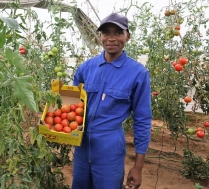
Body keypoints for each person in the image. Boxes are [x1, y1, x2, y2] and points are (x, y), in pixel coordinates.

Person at [71, 13, 152, 189]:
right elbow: (72, 106)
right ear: (99, 36)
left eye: (118, 33)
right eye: (106, 33)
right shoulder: (86, 68)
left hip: (110, 146)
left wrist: (138, 167)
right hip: (82, 145)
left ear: (127, 36)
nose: (111, 38)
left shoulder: (138, 73)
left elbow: (143, 120)